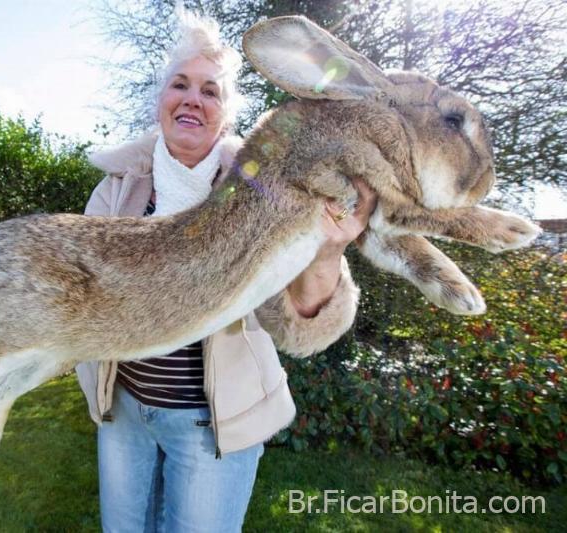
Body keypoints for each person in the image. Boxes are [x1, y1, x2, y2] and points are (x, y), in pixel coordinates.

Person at [75, 9, 377, 533]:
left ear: (225, 115)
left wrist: (327, 253)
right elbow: (81, 293)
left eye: (210, 91)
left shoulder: (267, 192)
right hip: (123, 415)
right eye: (181, 85)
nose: (193, 98)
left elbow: (301, 321)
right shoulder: (116, 191)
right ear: (161, 101)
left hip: (214, 427)